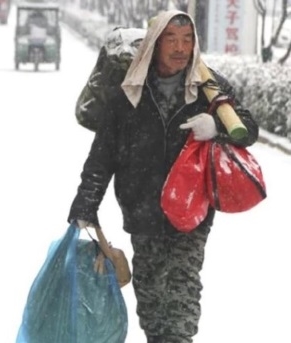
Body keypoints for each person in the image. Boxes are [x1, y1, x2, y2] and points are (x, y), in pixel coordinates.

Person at [68, 10, 259, 343]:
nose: (180, 48)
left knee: (182, 297)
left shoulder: (208, 88)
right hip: (142, 210)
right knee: (152, 300)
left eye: (187, 40)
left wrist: (216, 127)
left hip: (191, 212)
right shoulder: (129, 92)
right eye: (171, 39)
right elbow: (102, 156)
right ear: (155, 44)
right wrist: (86, 204)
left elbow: (248, 128)